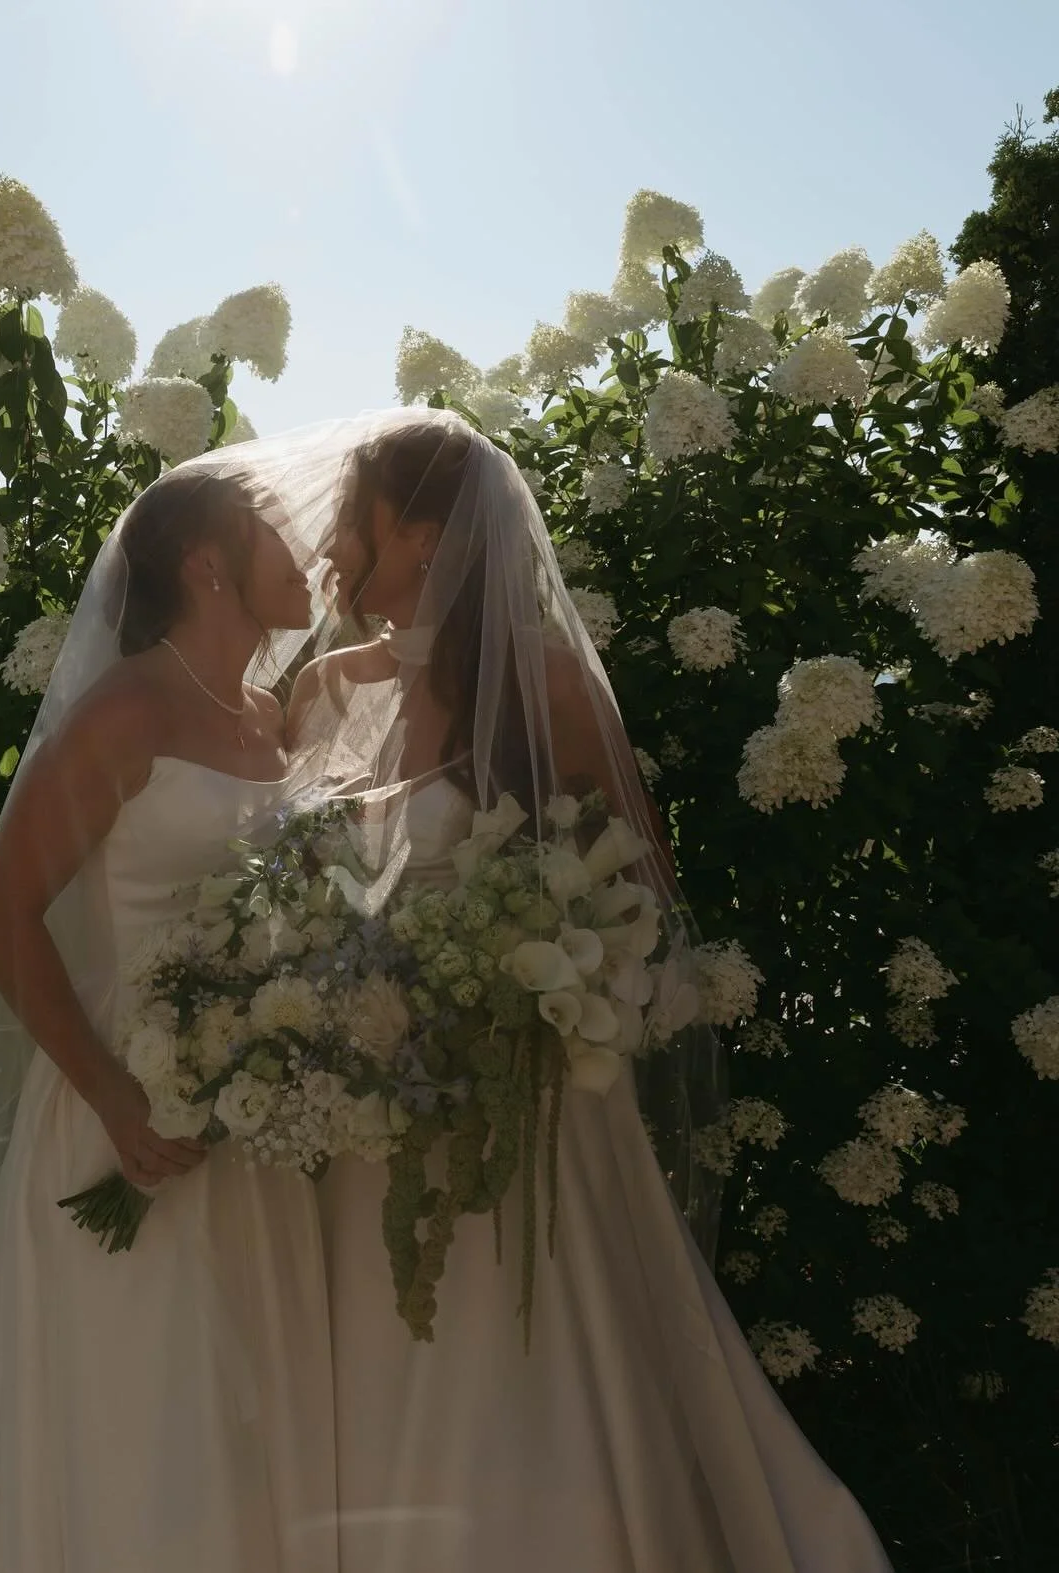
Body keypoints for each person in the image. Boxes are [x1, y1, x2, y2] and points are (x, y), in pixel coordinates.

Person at [280, 408, 896, 1572]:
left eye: (351, 523)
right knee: (380, 1339)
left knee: (523, 1350)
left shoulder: (546, 677)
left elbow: (642, 889)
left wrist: (536, 981)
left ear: (416, 534)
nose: (330, 551)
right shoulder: (322, 693)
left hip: (527, 1087)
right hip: (374, 1101)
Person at [0, 464, 344, 1572]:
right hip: (127, 1106)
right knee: (136, 1404)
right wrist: (114, 1090)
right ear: (209, 565)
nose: (312, 563)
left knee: (255, 1400)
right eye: (282, 541)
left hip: (255, 1113)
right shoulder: (125, 711)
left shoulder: (268, 709)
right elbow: (2, 918)